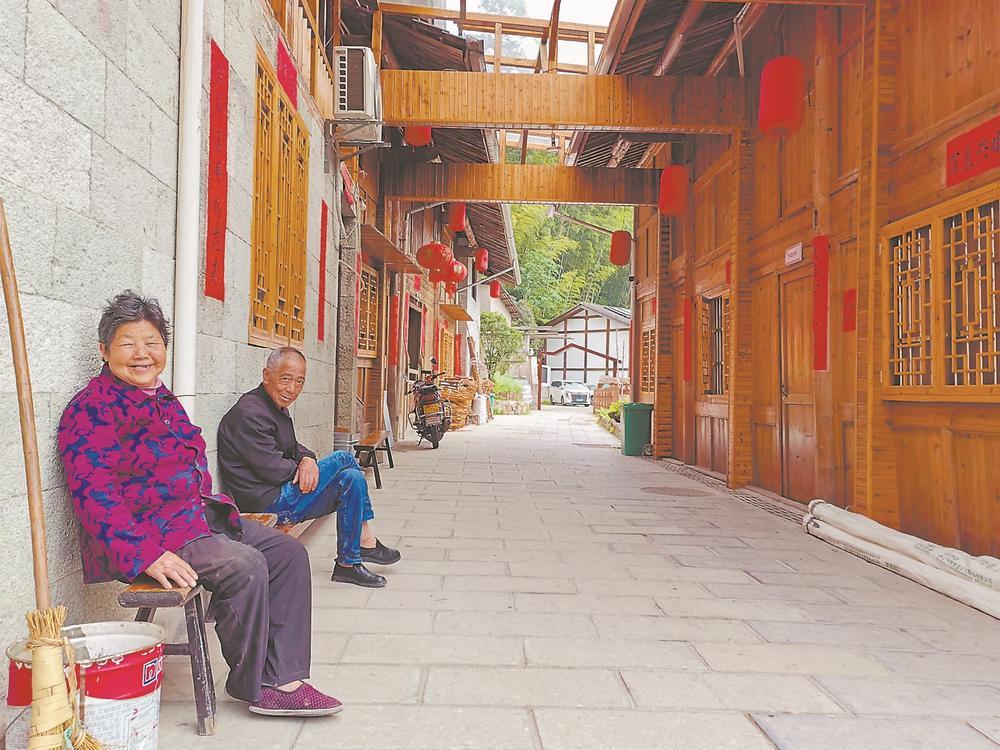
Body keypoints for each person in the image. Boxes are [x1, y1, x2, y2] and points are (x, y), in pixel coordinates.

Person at [58, 290, 341, 717]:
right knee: (245, 565)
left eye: (152, 343)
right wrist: (146, 554)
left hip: (196, 517)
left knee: (288, 553)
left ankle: (283, 676)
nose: (142, 354)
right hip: (153, 537)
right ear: (104, 350)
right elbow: (95, 497)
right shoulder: (90, 410)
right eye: (128, 344)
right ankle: (256, 685)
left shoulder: (158, 396)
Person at [217, 347, 401, 589]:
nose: (292, 389)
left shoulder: (274, 407)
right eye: (285, 379)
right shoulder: (249, 413)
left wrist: (308, 460)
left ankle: (348, 565)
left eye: (299, 382)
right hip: (269, 502)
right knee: (344, 458)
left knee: (352, 478)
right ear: (266, 375)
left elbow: (294, 447)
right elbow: (274, 470)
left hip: (285, 493)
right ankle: (366, 541)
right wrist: (303, 466)